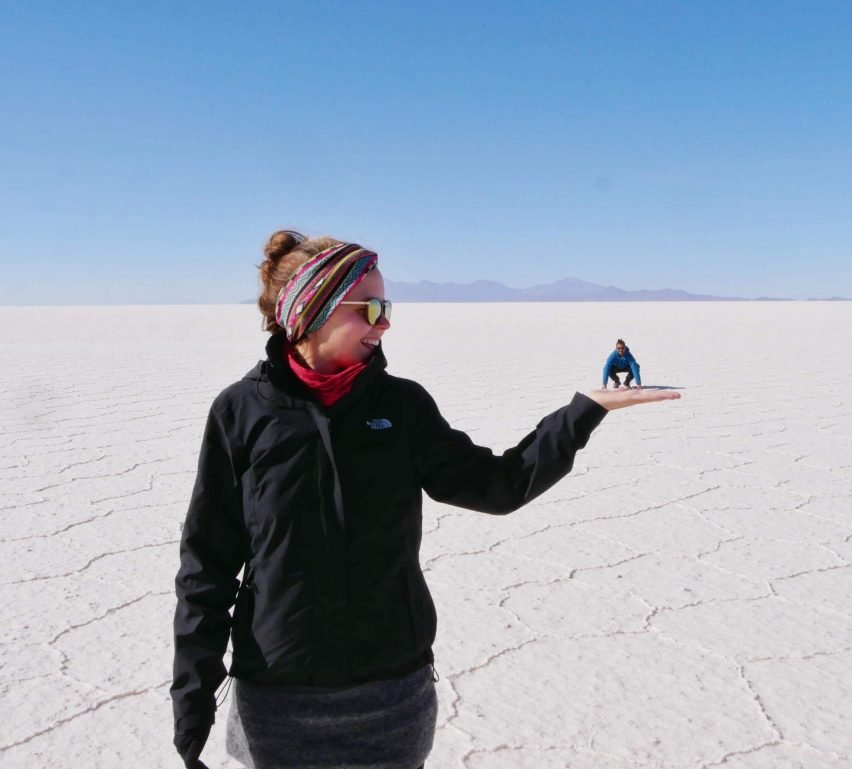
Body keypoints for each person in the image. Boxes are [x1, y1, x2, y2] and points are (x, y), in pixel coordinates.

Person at [170, 231, 680, 769]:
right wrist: (192, 710)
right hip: (278, 701)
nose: (385, 322)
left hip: (392, 696)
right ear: (313, 310)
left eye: (387, 306)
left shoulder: (402, 407)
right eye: (370, 307)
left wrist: (583, 412)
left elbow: (500, 485)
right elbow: (207, 567)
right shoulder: (240, 414)